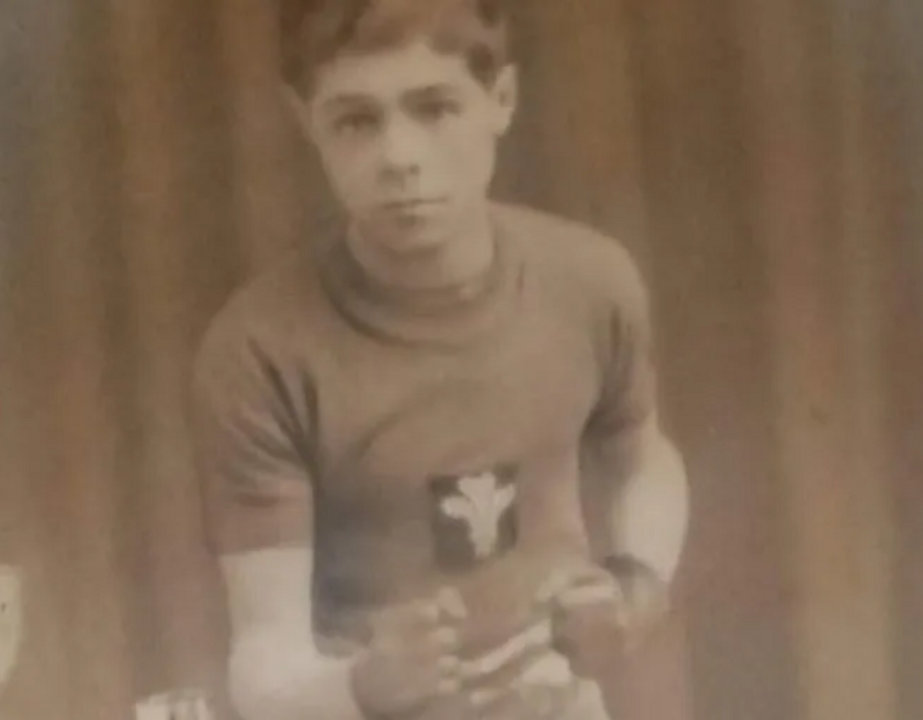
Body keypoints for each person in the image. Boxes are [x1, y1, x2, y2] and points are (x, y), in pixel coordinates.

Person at [188, 1, 690, 718]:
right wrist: (360, 688)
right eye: (357, 120)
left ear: (502, 101)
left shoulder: (590, 281)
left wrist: (638, 586)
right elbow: (262, 662)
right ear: (308, 125)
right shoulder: (259, 350)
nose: (399, 157)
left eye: (435, 108)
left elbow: (642, 456)